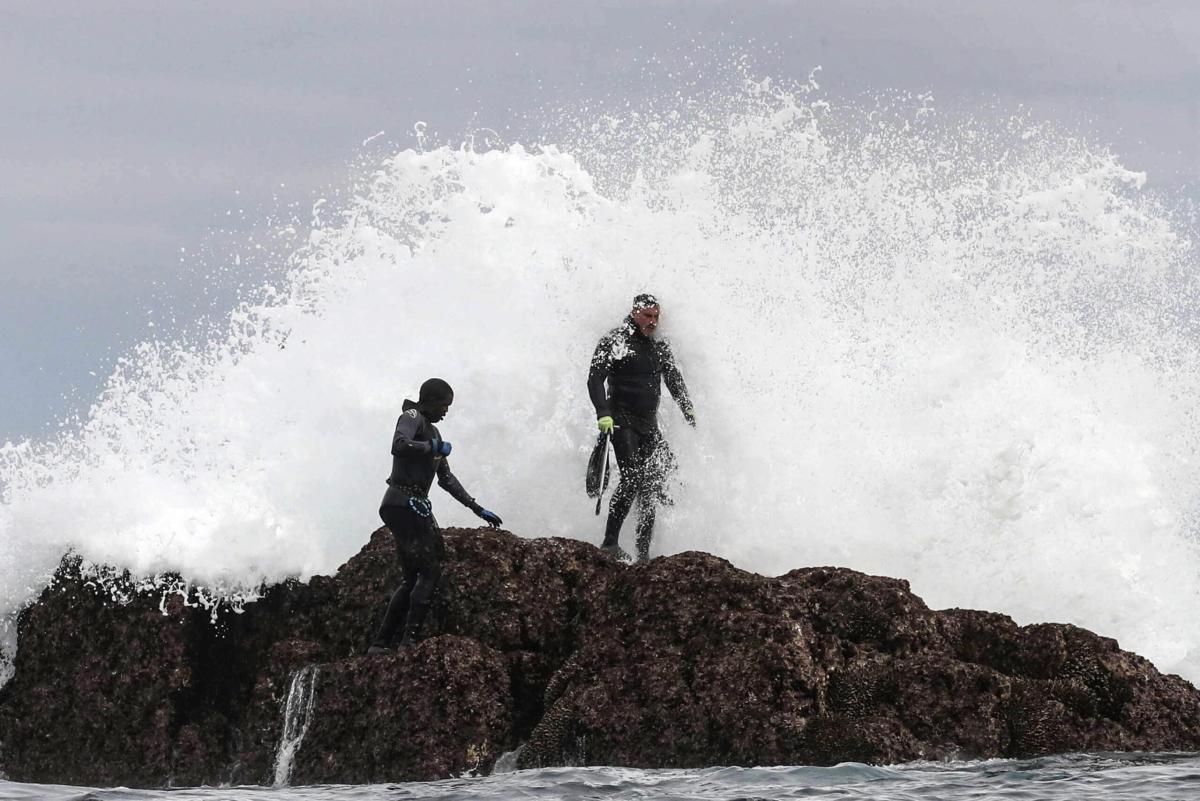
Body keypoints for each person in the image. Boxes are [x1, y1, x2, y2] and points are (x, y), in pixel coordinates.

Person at [367, 378, 503, 654]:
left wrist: (476, 508)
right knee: (430, 570)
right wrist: (431, 448)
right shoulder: (411, 416)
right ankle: (409, 643)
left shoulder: (435, 434)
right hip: (402, 501)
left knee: (412, 577)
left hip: (410, 504)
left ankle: (380, 643)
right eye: (444, 404)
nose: (446, 411)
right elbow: (398, 444)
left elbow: (446, 479)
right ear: (430, 399)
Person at [587, 293, 696, 563]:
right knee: (633, 477)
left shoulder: (658, 346)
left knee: (651, 486)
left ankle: (643, 555)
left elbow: (673, 378)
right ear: (635, 313)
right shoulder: (616, 340)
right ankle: (610, 543)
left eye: (656, 316)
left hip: (648, 426)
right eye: (647, 316)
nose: (653, 321)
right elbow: (595, 379)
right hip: (621, 420)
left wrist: (688, 408)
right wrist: (603, 413)